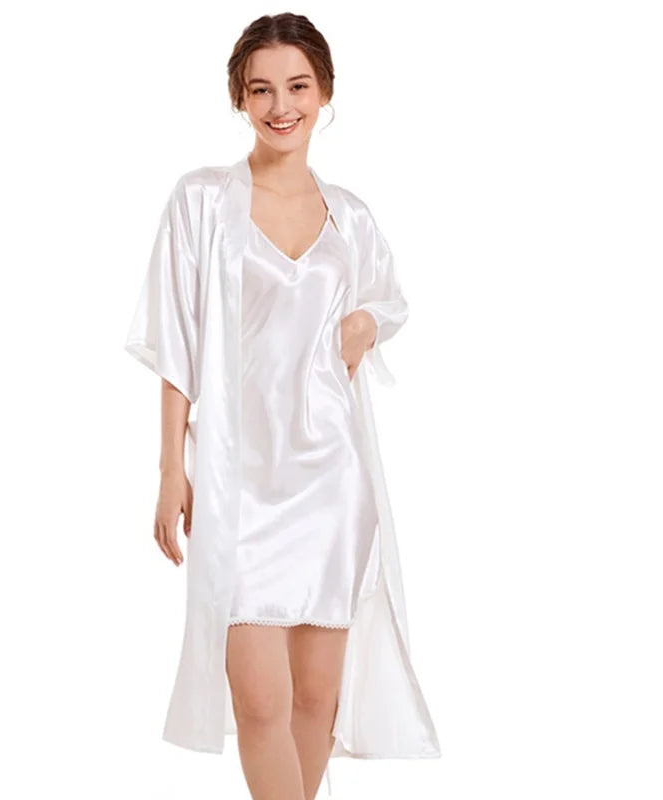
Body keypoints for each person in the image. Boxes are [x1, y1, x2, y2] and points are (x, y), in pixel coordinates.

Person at [125, 13, 440, 800]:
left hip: (332, 482)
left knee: (314, 700)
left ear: (324, 92)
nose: (280, 105)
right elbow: (176, 342)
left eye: (297, 86)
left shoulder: (351, 217)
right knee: (259, 703)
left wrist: (368, 324)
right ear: (239, 97)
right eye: (261, 89)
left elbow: (388, 301)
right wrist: (172, 470)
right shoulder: (202, 201)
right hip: (238, 481)